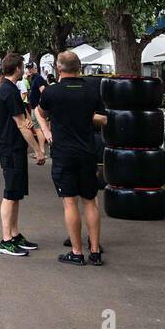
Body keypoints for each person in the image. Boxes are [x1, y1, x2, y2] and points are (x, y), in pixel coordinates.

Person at [36, 50, 108, 266]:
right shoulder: (91, 90)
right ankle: (95, 251)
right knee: (91, 201)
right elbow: (103, 119)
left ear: (58, 69)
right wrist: (84, 115)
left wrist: (47, 133)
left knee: (70, 203)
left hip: (63, 153)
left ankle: (77, 252)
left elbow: (39, 112)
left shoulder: (52, 92)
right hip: (87, 151)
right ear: (79, 68)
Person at [0, 52, 45, 256]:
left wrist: (27, 122)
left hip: (13, 147)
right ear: (17, 69)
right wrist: (38, 150)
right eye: (23, 67)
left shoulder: (8, 89)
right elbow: (21, 125)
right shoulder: (9, 90)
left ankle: (14, 234)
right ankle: (6, 240)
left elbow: (22, 120)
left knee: (15, 194)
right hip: (10, 148)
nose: (24, 70)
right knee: (10, 194)